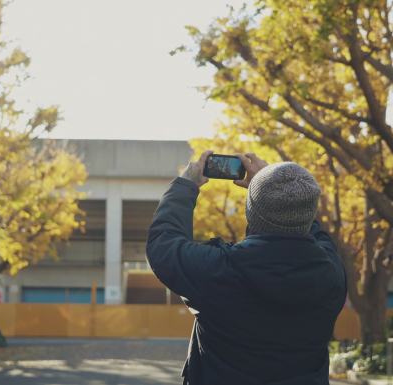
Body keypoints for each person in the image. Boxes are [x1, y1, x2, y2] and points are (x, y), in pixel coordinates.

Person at [146, 150, 347, 385]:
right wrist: (275, 188)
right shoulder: (331, 275)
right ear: (310, 212)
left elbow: (163, 245)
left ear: (251, 212)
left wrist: (185, 185)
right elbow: (307, 225)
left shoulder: (220, 270)